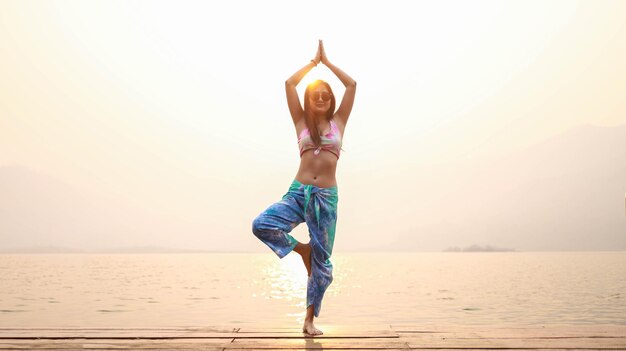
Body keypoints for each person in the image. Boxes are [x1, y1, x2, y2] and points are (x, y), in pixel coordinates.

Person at [252, 40, 356, 336]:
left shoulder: (339, 122)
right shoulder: (300, 122)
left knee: (322, 266)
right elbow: (289, 83)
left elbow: (351, 86)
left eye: (325, 95)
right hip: (298, 193)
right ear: (309, 100)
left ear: (330, 100)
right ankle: (302, 251)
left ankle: (309, 321)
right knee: (261, 224)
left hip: (326, 198)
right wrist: (313, 63)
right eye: (315, 95)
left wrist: (329, 63)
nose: (321, 98)